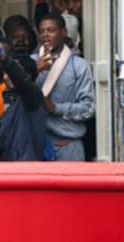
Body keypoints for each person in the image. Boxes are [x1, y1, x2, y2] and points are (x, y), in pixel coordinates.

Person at [34, 14, 95, 161]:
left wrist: (56, 108)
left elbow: (89, 108)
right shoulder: (32, 62)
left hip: (68, 145)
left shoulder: (78, 66)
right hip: (37, 143)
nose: (46, 35)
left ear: (64, 32)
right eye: (42, 31)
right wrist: (35, 70)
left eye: (51, 30)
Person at [0, 34, 47, 161]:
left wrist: (0, 53)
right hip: (9, 170)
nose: (7, 77)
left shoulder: (33, 98)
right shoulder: (9, 103)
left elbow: (20, 79)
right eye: (6, 73)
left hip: (29, 171)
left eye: (12, 73)